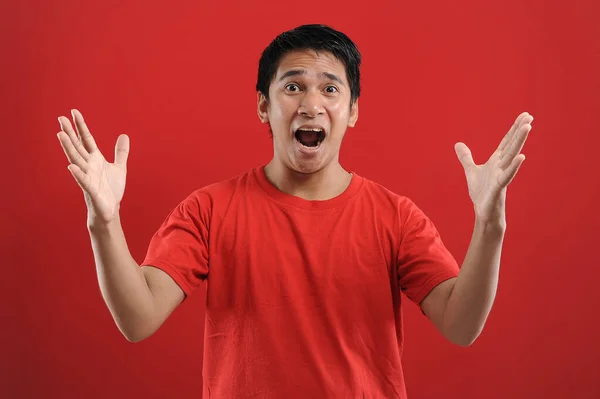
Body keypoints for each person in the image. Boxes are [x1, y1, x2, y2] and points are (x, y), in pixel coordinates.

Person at [56, 24, 534, 398]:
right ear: (264, 106)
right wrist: (105, 221)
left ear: (353, 111)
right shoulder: (208, 210)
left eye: (330, 89)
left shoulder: (395, 216)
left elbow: (461, 324)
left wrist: (490, 224)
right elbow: (138, 319)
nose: (311, 104)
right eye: (292, 87)